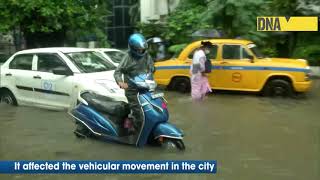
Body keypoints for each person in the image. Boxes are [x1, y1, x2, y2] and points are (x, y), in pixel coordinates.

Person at [114, 33, 155, 138]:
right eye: (139, 50)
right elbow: (117, 72)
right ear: (133, 48)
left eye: (143, 49)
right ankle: (137, 134)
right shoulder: (127, 57)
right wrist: (120, 82)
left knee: (153, 110)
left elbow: (151, 69)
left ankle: (150, 130)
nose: (141, 51)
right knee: (139, 114)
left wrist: (151, 74)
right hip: (132, 90)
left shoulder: (146, 56)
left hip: (146, 88)